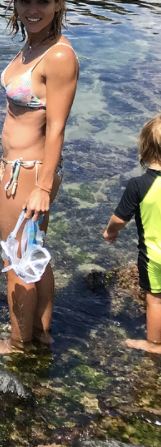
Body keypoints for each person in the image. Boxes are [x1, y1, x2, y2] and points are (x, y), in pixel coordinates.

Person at [0, 0, 79, 354]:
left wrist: (42, 187)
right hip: (20, 170)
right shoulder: (32, 46)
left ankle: (18, 345)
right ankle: (41, 336)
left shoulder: (58, 57)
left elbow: (57, 127)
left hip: (28, 175)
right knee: (34, 256)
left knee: (17, 262)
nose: (33, 8)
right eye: (25, 0)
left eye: (42, 1)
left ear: (59, 4)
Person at [103, 115, 161, 354]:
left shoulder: (138, 185)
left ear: (144, 149)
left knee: (155, 299)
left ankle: (154, 344)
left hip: (154, 256)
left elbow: (119, 219)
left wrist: (110, 232)